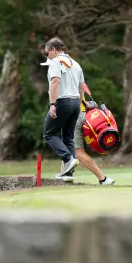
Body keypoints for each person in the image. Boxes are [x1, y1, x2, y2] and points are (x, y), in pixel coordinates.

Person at [40, 37, 83, 180]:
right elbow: (81, 86)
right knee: (68, 137)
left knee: (49, 133)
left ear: (53, 50)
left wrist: (52, 104)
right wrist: (81, 103)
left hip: (62, 102)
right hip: (76, 103)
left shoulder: (55, 62)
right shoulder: (75, 64)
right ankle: (68, 174)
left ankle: (68, 159)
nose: (47, 56)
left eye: (47, 53)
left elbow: (55, 82)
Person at [65, 83, 115, 185]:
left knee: (78, 152)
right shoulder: (75, 69)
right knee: (67, 148)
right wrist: (85, 102)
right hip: (82, 114)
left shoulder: (61, 74)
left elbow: (71, 95)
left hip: (74, 116)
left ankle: (103, 178)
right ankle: (65, 175)